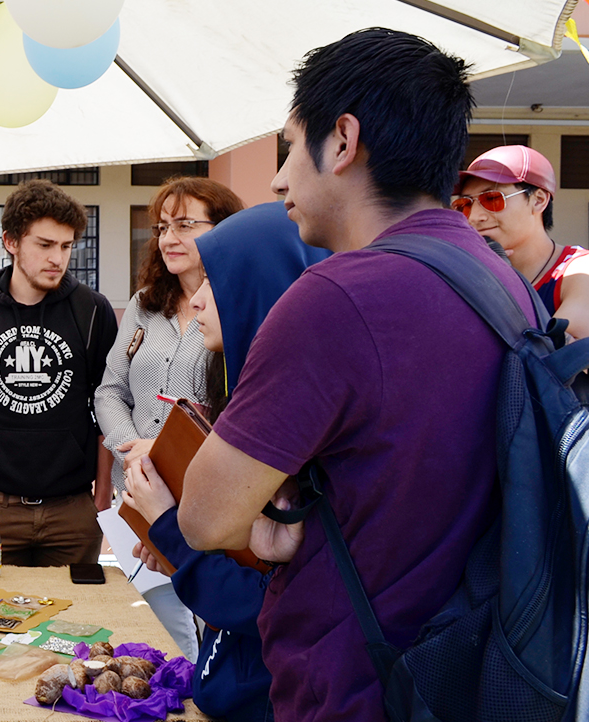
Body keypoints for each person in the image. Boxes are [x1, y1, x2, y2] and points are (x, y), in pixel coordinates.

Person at [160, 29, 538, 722]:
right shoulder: (499, 283)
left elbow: (207, 518)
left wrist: (260, 531)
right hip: (464, 670)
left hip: (356, 686)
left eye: (286, 147)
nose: (276, 181)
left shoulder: (336, 297)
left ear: (340, 139)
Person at [126, 202, 330, 722]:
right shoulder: (241, 397)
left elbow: (264, 603)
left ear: (260, 289)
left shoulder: (301, 436)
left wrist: (169, 528)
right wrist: (172, 542)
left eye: (213, 282)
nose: (195, 301)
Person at [94, 176, 243, 659]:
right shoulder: (143, 305)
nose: (168, 239)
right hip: (136, 496)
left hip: (206, 501)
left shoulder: (239, 307)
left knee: (211, 623)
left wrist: (160, 453)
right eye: (162, 227)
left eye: (185, 225)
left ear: (223, 230)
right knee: (158, 633)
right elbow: (109, 390)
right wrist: (131, 446)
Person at [0, 179, 118, 566]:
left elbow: (109, 405)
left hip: (73, 511)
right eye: (45, 244)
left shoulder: (92, 311)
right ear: (11, 242)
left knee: (72, 623)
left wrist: (101, 500)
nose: (58, 258)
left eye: (66, 246)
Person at [455, 145, 589, 337]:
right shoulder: (470, 271)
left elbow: (565, 360)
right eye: (465, 205)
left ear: (538, 200)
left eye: (492, 198)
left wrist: (501, 288)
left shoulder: (579, 272)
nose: (475, 216)